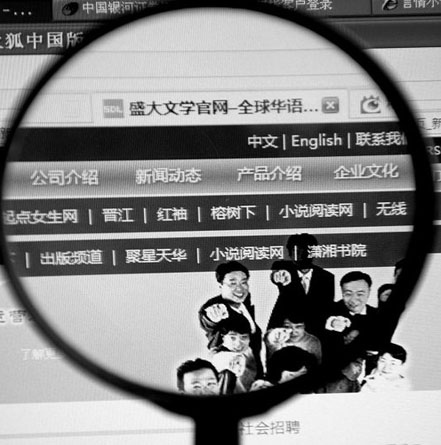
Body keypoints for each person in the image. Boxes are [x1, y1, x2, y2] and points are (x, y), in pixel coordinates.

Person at [198, 261, 263, 377]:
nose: (240, 289)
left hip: (255, 366)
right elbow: (208, 321)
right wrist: (212, 317)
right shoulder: (213, 307)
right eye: (232, 283)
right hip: (233, 371)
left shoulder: (244, 300)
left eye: (244, 282)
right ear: (221, 286)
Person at [267, 233, 334, 335]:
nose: (301, 256)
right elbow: (277, 272)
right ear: (290, 254)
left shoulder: (326, 277)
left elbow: (327, 308)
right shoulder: (285, 269)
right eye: (297, 252)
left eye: (306, 251)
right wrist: (277, 275)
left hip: (316, 332)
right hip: (285, 330)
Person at [320, 271, 379, 368]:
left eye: (360, 294)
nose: (353, 300)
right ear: (342, 293)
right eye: (348, 294)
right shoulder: (327, 312)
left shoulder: (378, 316)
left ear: (369, 292)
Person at [211, 317, 258, 392]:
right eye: (232, 338)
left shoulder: (253, 350)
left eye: (244, 337)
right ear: (223, 337)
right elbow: (218, 360)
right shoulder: (219, 355)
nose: (238, 343)